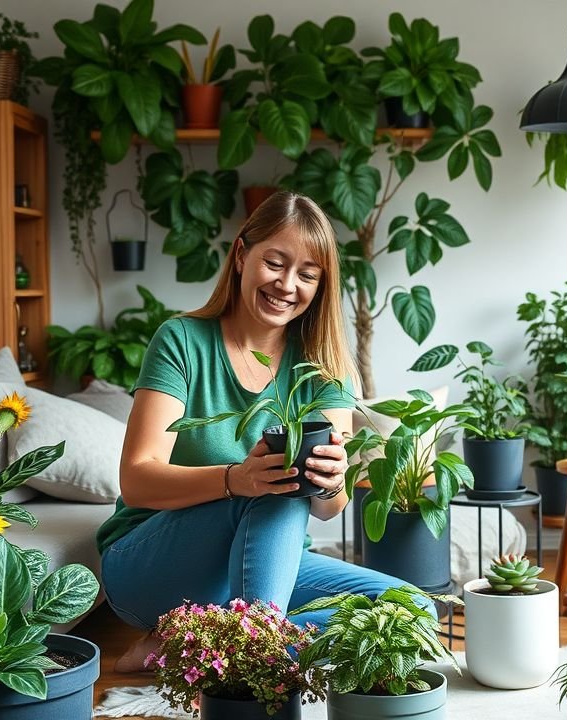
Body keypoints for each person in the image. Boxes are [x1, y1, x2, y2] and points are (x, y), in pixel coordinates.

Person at [96, 191, 432, 672]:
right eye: (274, 263)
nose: (287, 284)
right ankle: (258, 661)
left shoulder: (325, 366)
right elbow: (137, 479)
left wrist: (333, 478)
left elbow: (329, 508)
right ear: (240, 256)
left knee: (410, 614)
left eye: (307, 275)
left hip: (266, 566)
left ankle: (197, 648)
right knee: (274, 484)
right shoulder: (182, 341)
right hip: (151, 567)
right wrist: (237, 479)